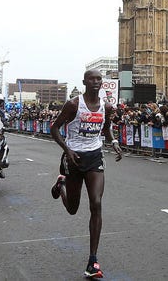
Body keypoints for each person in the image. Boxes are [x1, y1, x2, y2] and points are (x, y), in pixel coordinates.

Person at [49, 69, 123, 279]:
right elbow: (54, 129)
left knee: (96, 203)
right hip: (74, 158)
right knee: (72, 209)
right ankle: (61, 185)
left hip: (94, 157)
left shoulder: (106, 107)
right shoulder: (74, 104)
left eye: (99, 79)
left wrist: (115, 142)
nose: (96, 82)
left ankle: (93, 260)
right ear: (84, 82)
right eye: (92, 79)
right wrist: (67, 150)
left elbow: (107, 129)